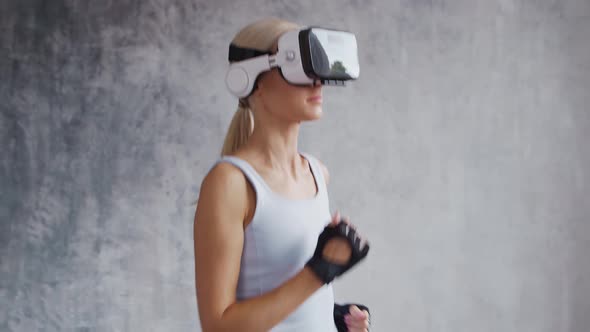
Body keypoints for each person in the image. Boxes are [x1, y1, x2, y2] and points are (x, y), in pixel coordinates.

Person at [193, 17, 371, 332]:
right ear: (251, 80)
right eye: (298, 67)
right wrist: (322, 269)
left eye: (317, 69)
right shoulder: (230, 184)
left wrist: (332, 315)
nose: (317, 82)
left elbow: (284, 294)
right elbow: (217, 325)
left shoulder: (317, 174)